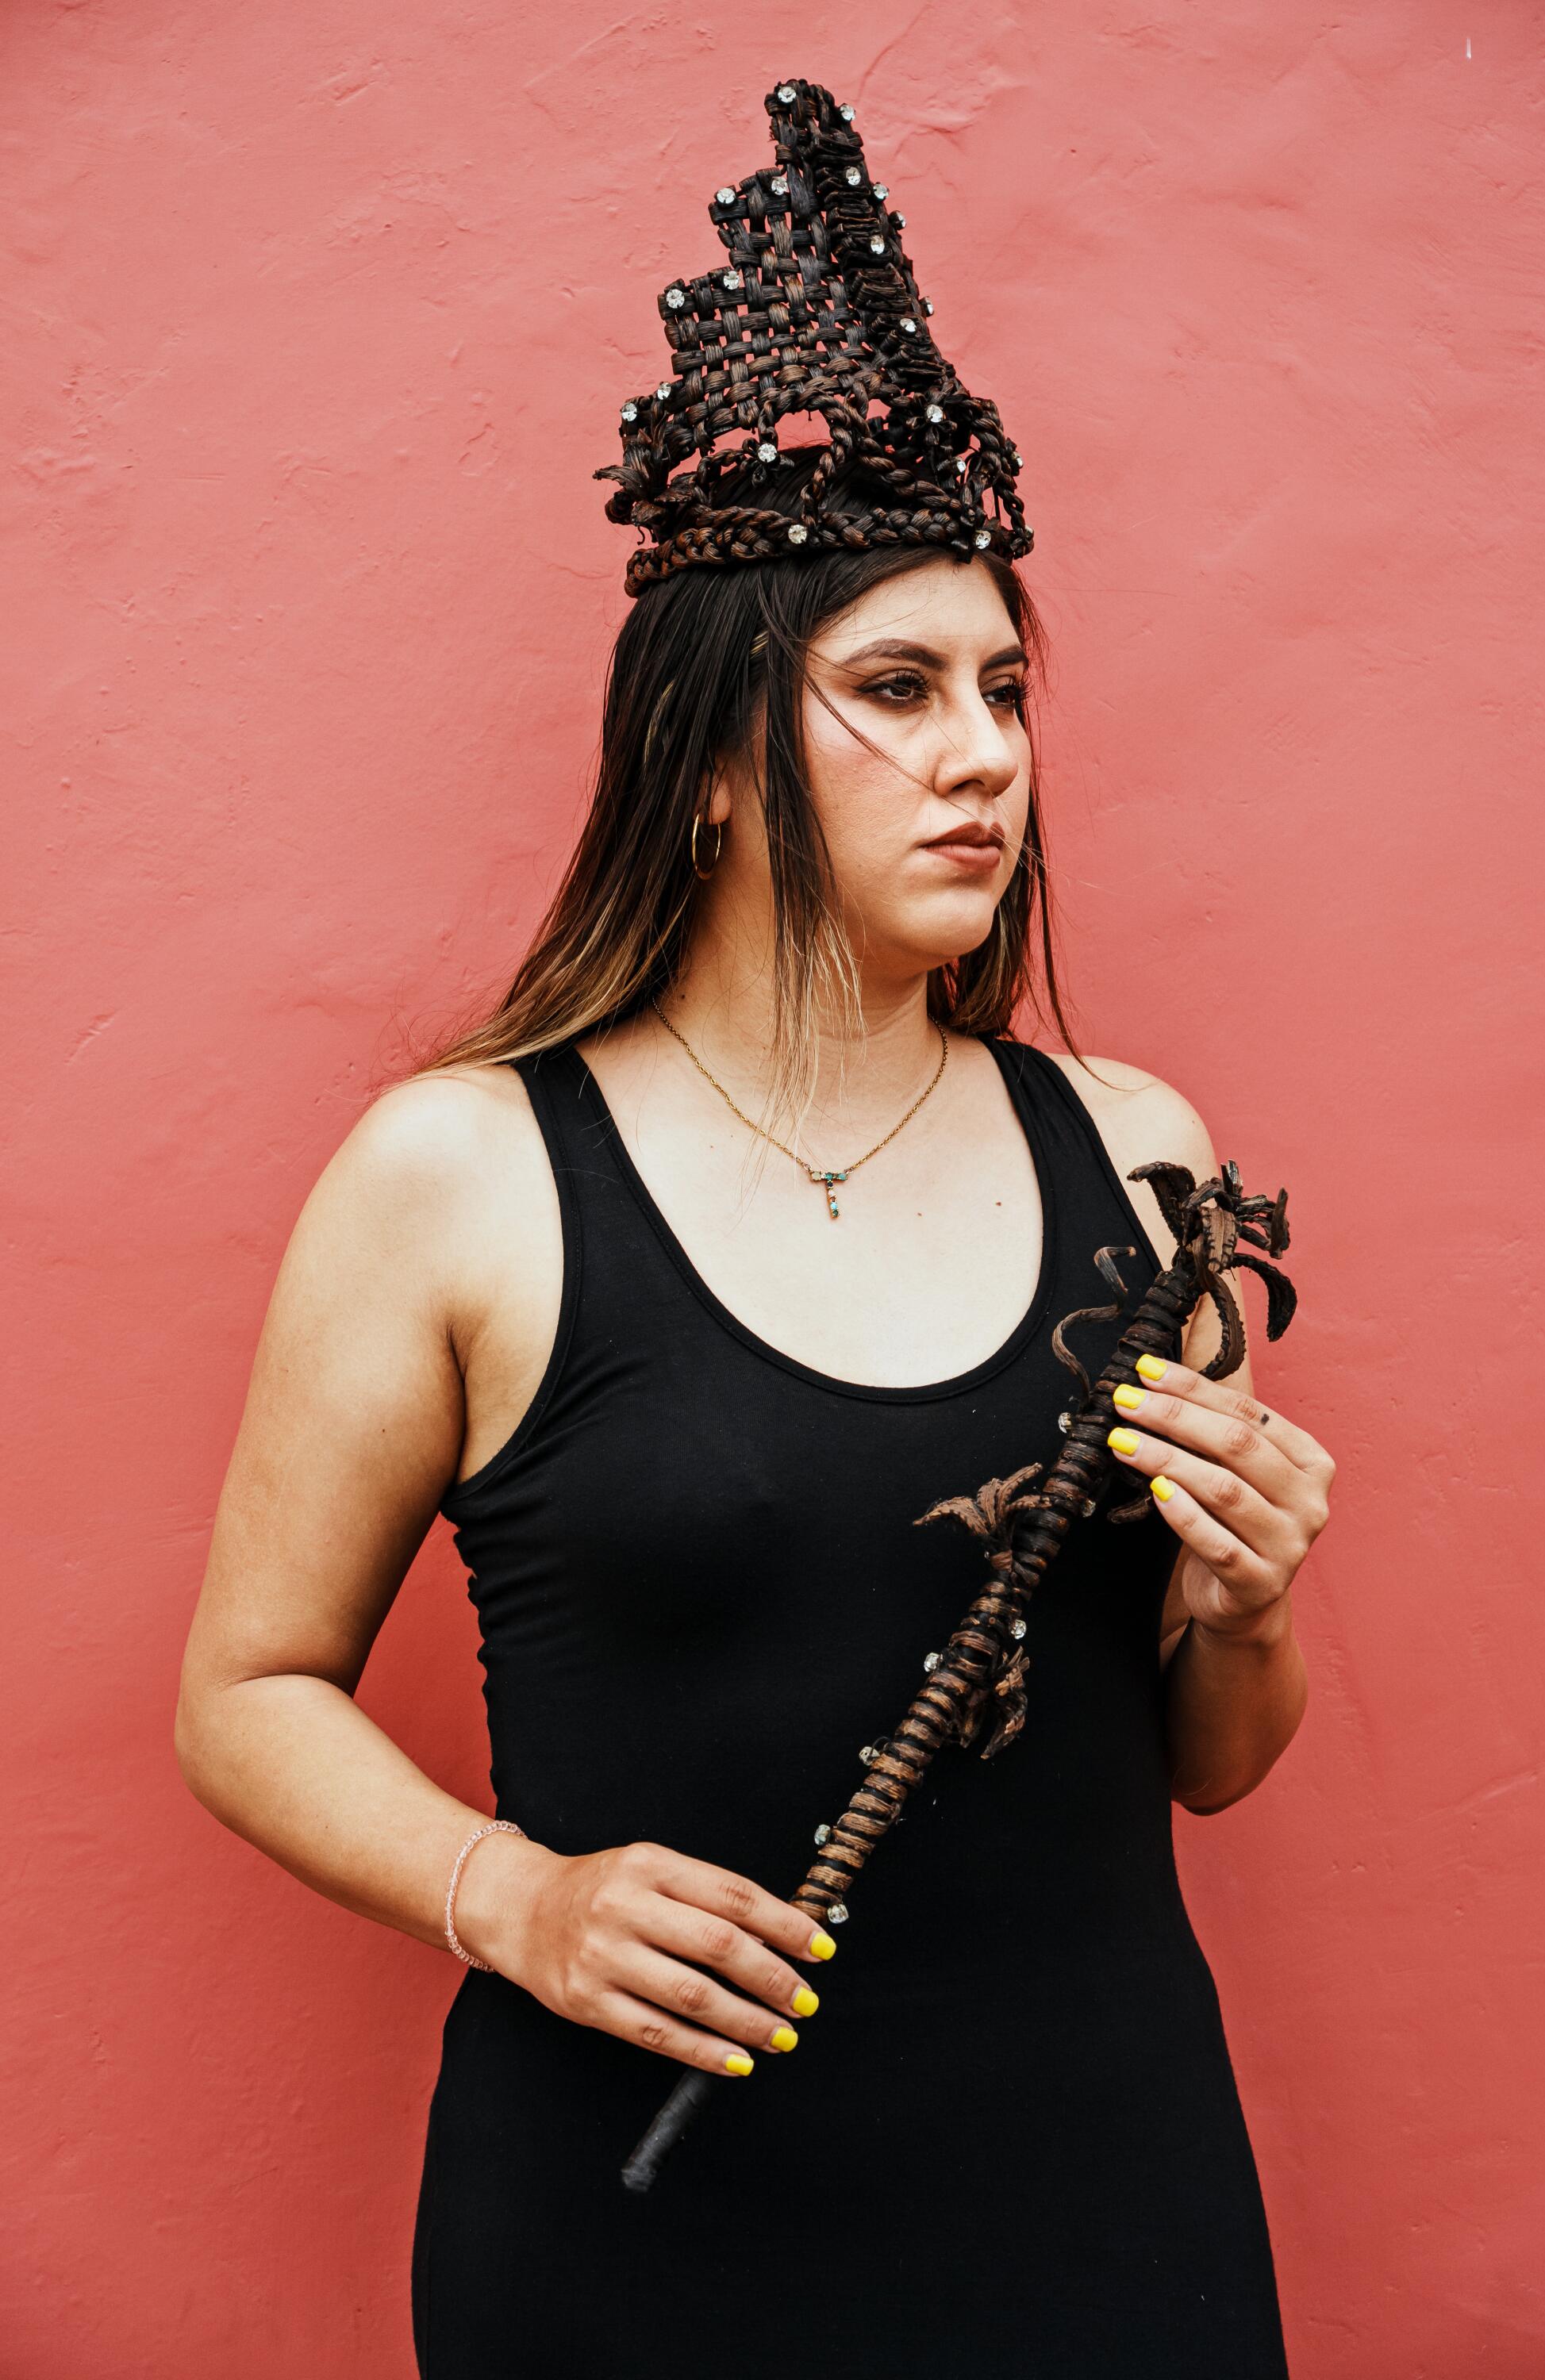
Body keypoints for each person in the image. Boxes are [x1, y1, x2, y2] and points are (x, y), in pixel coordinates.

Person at [175, 76, 1331, 2378]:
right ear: (713, 757)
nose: (985, 754)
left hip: (1107, 2205)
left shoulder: (1135, 1151)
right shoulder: (463, 1173)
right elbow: (241, 1691)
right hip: (637, 2235)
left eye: (1004, 690)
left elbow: (1211, 1755)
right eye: (896, 693)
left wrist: (1248, 1595)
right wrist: (507, 1895)